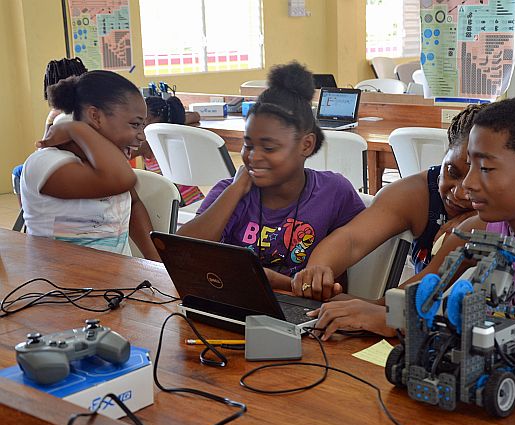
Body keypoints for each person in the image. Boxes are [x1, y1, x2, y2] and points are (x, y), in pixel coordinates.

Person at [300, 96, 515, 367]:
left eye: (485, 169)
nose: (467, 186)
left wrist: (407, 319)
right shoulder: (478, 230)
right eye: (466, 166)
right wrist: (358, 308)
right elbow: (411, 299)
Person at [292, 103, 515, 301]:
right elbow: (351, 239)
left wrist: (481, 221)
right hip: (433, 318)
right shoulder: (416, 194)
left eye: (485, 171)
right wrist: (319, 268)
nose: (463, 190)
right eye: (453, 171)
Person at [177, 61, 365, 290]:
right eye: (248, 145)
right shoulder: (228, 192)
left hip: (303, 309)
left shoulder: (333, 191)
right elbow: (182, 253)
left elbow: (354, 251)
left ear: (306, 145)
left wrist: (282, 284)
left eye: (268, 148)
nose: (253, 157)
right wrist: (235, 190)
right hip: (239, 302)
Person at [20, 70, 160, 261]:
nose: (142, 136)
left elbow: (133, 202)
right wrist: (76, 128)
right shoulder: (47, 164)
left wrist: (159, 263)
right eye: (135, 125)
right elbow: (121, 180)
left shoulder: (109, 163)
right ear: (95, 116)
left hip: (118, 284)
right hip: (61, 287)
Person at [12, 58, 88, 206]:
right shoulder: (92, 107)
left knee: (18, 172)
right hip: (90, 161)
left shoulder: (55, 115)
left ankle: (27, 214)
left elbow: (44, 149)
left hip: (60, 165)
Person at [131, 95, 205, 207]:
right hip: (194, 202)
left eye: (142, 124)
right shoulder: (168, 130)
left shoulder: (145, 143)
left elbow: (118, 156)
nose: (138, 130)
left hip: (177, 208)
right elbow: (195, 116)